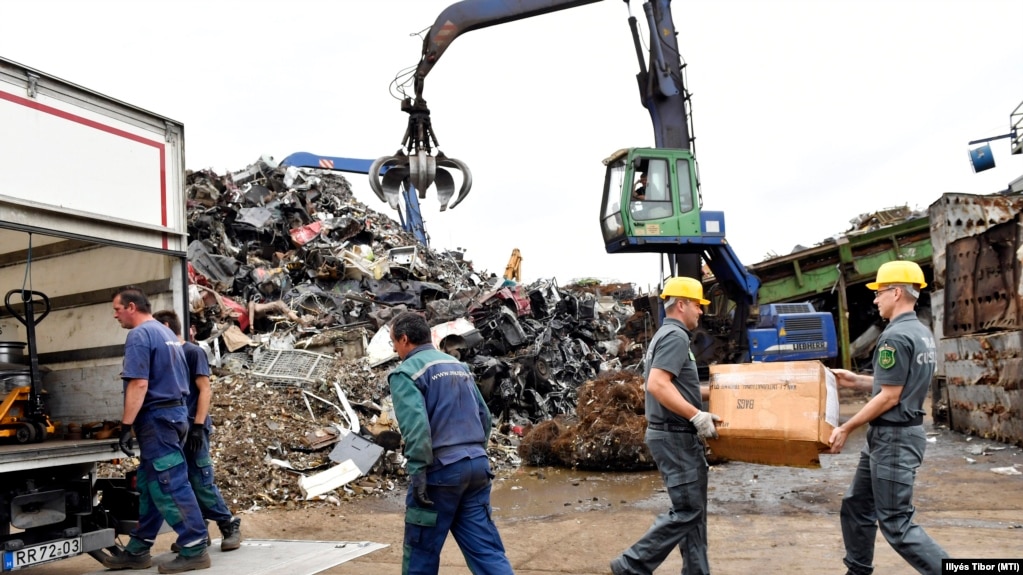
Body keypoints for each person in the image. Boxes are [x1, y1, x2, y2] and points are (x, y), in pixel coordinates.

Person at [828, 261, 949, 575]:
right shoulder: (920, 332)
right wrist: (855, 380)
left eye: (879, 293)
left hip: (894, 438)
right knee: (856, 504)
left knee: (896, 524)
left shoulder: (893, 337)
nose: (875, 299)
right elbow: (898, 384)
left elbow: (890, 396)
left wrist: (847, 426)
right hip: (891, 437)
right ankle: (857, 570)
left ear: (897, 292)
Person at [387, 311, 514, 575]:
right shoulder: (458, 366)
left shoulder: (406, 373)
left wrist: (419, 472)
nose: (395, 350)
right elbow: (484, 416)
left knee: (421, 550)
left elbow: (416, 427)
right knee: (486, 550)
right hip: (477, 468)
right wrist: (475, 452)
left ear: (405, 339)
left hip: (440, 474)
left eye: (394, 343)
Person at [611, 277, 721, 575]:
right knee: (688, 510)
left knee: (693, 514)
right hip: (675, 436)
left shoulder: (667, 334)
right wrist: (696, 416)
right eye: (698, 305)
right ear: (681, 304)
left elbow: (675, 384)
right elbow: (657, 384)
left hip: (673, 435)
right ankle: (631, 564)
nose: (701, 312)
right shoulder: (675, 337)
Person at [105, 287, 211, 573]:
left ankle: (194, 547)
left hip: (156, 419)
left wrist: (126, 425)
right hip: (175, 415)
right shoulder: (166, 333)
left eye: (117, 310)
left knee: (169, 483)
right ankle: (139, 547)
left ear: (131, 306)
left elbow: (139, 384)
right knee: (151, 484)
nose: (115, 315)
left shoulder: (139, 335)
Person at [153, 310, 242, 553]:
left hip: (194, 427)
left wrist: (199, 426)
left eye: (156, 328)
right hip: (175, 430)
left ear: (166, 326)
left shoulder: (192, 352)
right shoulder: (165, 354)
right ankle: (197, 531)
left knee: (201, 480)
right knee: (183, 483)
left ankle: (228, 524)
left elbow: (205, 390)